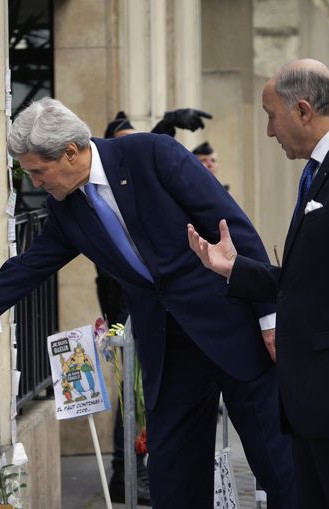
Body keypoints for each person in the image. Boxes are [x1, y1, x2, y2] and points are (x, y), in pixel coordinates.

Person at [0, 97, 298, 508]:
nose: (37, 184)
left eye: (40, 172)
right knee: (174, 485)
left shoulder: (152, 155)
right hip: (170, 353)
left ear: (71, 152)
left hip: (234, 329)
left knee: (280, 470)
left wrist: (268, 317)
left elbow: (234, 230)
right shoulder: (67, 210)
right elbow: (22, 271)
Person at [188, 58, 329, 508]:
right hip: (314, 408)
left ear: (302, 111)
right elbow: (315, 283)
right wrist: (234, 268)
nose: (268, 131)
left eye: (270, 115)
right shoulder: (326, 167)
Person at [99, 108, 215, 505]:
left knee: (149, 395)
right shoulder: (94, 198)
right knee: (131, 393)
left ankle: (142, 470)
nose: (129, 149)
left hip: (163, 311)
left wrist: (167, 124)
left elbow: (144, 161)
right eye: (124, 141)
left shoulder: (133, 171)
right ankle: (123, 469)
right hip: (127, 309)